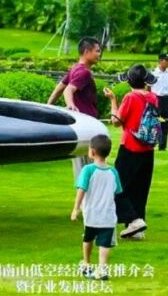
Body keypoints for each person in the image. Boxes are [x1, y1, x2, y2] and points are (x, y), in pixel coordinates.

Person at [104, 64, 158, 241]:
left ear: (129, 81)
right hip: (148, 149)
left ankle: (133, 220)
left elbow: (116, 122)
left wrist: (112, 100)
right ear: (146, 81)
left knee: (116, 186)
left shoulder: (130, 97)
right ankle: (137, 229)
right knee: (140, 188)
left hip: (130, 148)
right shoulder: (153, 97)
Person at [47, 37, 101, 178]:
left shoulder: (75, 69)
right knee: (90, 171)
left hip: (81, 127)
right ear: (86, 51)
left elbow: (60, 88)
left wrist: (48, 106)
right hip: (87, 126)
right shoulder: (84, 72)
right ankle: (87, 199)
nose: (99, 54)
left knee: (82, 170)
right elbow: (68, 90)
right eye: (97, 51)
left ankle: (84, 199)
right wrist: (70, 104)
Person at [71, 135, 121, 281]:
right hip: (108, 216)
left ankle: (86, 263)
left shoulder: (88, 170)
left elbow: (81, 190)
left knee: (88, 238)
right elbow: (117, 191)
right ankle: (102, 269)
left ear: (92, 152)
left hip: (91, 214)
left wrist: (76, 208)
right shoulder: (113, 172)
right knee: (105, 243)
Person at [151, 53, 168, 151]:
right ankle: (151, 143)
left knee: (165, 122)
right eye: (166, 60)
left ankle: (162, 145)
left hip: (166, 99)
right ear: (161, 61)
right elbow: (148, 87)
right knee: (155, 121)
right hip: (156, 99)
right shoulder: (153, 73)